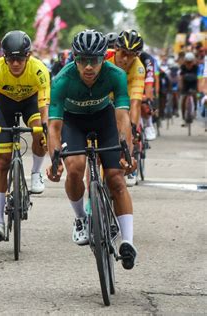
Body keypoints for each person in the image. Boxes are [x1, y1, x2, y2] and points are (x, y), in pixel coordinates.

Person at [46, 29, 138, 270]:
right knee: (75, 168)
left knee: (116, 178)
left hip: (103, 118)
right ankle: (80, 219)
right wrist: (55, 160)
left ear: (103, 59)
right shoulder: (62, 80)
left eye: (94, 60)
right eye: (83, 60)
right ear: (75, 59)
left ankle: (127, 242)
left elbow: (123, 117)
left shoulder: (115, 74)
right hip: (73, 122)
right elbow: (54, 127)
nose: (89, 67)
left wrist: (127, 151)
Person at [0, 30, 49, 241]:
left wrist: (45, 127)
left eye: (20, 58)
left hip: (31, 102)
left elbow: (44, 104)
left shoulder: (39, 69)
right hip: (5, 105)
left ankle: (36, 173)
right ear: (4, 57)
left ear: (28, 56)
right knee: (2, 163)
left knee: (39, 130)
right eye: (11, 58)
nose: (16, 63)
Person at [105, 29, 146, 187]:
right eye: (122, 53)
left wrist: (134, 128)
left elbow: (135, 103)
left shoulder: (139, 68)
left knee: (127, 127)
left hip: (124, 96)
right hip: (104, 95)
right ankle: (91, 197)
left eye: (131, 54)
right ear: (116, 49)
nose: (125, 59)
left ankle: (126, 161)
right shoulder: (105, 57)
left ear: (136, 55)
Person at [179, 51, 200, 126]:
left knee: (194, 96)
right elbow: (181, 78)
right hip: (185, 84)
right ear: (185, 61)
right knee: (183, 98)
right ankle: (183, 117)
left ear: (193, 61)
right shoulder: (183, 67)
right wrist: (180, 86)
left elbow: (198, 78)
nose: (189, 64)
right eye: (187, 62)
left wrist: (198, 88)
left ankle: (194, 110)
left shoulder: (196, 67)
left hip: (193, 84)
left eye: (190, 62)